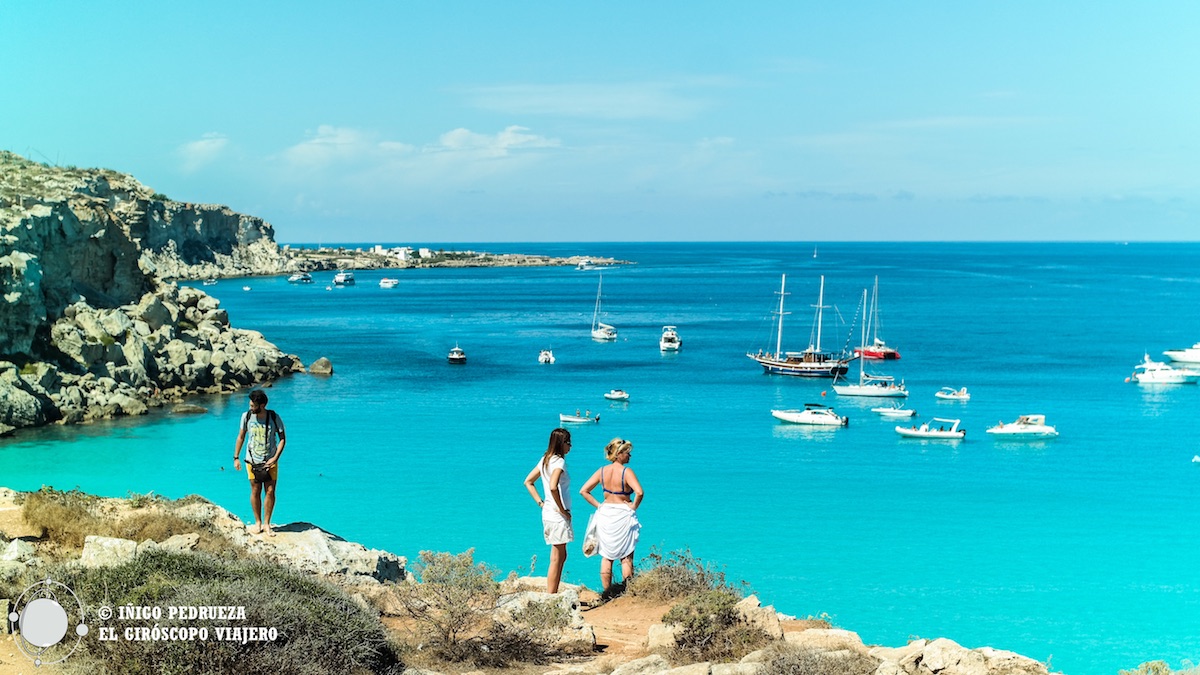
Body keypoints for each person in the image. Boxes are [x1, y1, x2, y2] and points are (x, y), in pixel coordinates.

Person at [579, 437, 643, 597]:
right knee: (626, 557)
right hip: (623, 514)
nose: (630, 456)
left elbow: (584, 491)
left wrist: (599, 505)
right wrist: (633, 506)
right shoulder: (626, 472)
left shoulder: (602, 471)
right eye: (627, 452)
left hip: (606, 514)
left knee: (606, 557)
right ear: (619, 453)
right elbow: (640, 492)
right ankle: (627, 593)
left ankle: (607, 594)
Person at [523, 428, 573, 593]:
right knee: (558, 558)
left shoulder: (545, 459)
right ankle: (551, 595)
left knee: (559, 555)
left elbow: (528, 482)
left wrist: (541, 503)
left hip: (548, 513)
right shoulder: (558, 462)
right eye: (568, 442)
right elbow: (553, 486)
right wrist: (562, 510)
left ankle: (553, 592)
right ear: (561, 444)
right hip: (557, 515)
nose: (570, 446)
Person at [232, 389, 286, 536]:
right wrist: (236, 457)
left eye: (252, 405)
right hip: (252, 461)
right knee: (255, 491)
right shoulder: (246, 416)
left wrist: (275, 458)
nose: (250, 407)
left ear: (262, 405)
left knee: (270, 491)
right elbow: (241, 437)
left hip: (270, 461)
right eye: (250, 404)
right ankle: (258, 522)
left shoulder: (274, 417)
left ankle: (267, 524)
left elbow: (282, 439)